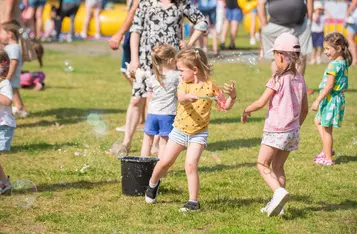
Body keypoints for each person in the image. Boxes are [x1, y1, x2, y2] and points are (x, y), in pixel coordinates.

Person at [108, 0, 208, 156]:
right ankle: (126, 143)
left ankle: (157, 143)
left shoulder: (181, 4)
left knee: (164, 102)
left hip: (170, 65)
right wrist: (134, 58)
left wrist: (190, 43)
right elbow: (135, 31)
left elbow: (202, 22)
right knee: (136, 100)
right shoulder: (146, 3)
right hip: (146, 62)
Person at [145, 48, 237, 211]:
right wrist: (188, 98)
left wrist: (232, 97)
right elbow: (180, 98)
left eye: (181, 70)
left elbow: (225, 106)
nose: (179, 73)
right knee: (165, 162)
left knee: (191, 165)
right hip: (179, 131)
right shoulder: (184, 85)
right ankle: (153, 183)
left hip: (199, 134)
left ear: (194, 70)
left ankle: (193, 202)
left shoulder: (211, 88)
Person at [241, 33, 309, 216]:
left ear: (280, 56)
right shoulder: (300, 79)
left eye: (275, 56)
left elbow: (261, 102)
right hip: (293, 131)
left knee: (262, 164)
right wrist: (296, 127)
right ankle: (279, 206)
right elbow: (305, 110)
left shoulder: (277, 78)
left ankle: (278, 192)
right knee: (278, 167)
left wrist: (246, 109)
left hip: (276, 129)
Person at [258, 0, 314, 94]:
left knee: (301, 55)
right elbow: (261, 3)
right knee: (276, 57)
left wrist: (309, 20)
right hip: (276, 26)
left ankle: (297, 87)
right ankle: (279, 86)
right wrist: (263, 24)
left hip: (301, 26)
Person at [312, 32, 351, 166]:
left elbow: (329, 85)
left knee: (326, 129)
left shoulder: (333, 65)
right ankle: (327, 149)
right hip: (335, 99)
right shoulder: (343, 62)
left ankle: (328, 158)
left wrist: (317, 100)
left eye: (328, 49)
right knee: (317, 120)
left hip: (331, 99)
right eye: (325, 49)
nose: (325, 52)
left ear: (338, 48)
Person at [140, 44, 179, 159]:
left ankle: (142, 166)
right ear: (171, 60)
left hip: (152, 113)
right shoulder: (177, 76)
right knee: (163, 143)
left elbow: (149, 97)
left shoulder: (153, 77)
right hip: (167, 114)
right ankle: (160, 169)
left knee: (147, 140)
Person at [1, 20, 29, 117]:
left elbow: (14, 62)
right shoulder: (11, 47)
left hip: (11, 75)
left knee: (11, 91)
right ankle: (20, 108)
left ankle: (19, 108)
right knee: (13, 91)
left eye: (1, 33)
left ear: (9, 34)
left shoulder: (13, 48)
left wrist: (8, 77)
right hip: (11, 76)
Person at [0, 50, 17, 195]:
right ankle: (4, 183)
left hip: (3, 127)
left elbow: (7, 100)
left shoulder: (5, 84)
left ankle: (4, 183)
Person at [345, 0, 357, 66]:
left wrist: (347, 13)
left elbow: (354, 2)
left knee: (350, 39)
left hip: (354, 18)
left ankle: (355, 59)